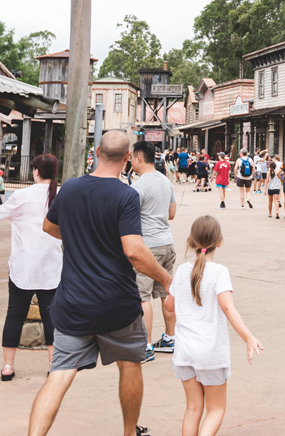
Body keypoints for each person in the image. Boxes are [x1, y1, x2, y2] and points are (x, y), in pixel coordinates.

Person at [27, 131, 174, 436]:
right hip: (117, 304)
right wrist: (166, 278)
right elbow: (133, 250)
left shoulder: (70, 188)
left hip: (73, 303)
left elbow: (49, 226)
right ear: (126, 159)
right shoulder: (125, 195)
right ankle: (129, 432)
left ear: (95, 152)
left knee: (60, 374)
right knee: (129, 364)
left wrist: (79, 239)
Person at [163, 215, 262, 436]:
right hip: (209, 353)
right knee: (215, 409)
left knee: (192, 408)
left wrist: (175, 288)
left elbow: (169, 307)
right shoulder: (219, 272)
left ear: (190, 242)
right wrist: (248, 337)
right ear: (219, 242)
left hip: (185, 352)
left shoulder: (182, 271)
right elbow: (228, 307)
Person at [0, 153, 62, 381]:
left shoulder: (22, 195)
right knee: (51, 318)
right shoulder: (61, 196)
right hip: (51, 266)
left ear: (36, 171)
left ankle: (8, 367)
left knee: (14, 316)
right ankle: (53, 365)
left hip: (23, 266)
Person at [129, 141, 177, 361]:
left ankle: (146, 346)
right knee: (167, 291)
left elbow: (128, 217)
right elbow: (171, 214)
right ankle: (170, 338)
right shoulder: (165, 181)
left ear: (139, 158)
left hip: (148, 247)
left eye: (132, 158)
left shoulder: (138, 187)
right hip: (167, 243)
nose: (130, 161)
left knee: (142, 297)